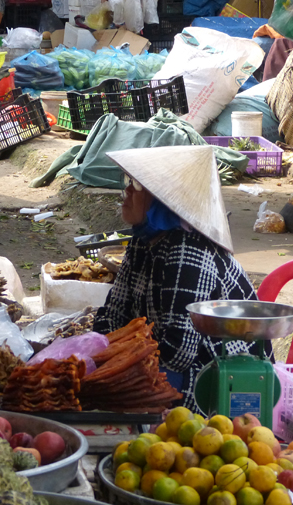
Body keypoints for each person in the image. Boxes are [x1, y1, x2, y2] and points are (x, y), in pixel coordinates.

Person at [92, 145, 270, 412]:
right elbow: (112, 313)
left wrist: (118, 363)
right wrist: (99, 352)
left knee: (112, 392)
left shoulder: (188, 252)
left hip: (213, 377)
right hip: (165, 362)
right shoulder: (143, 241)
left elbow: (178, 353)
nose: (126, 191)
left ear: (162, 201)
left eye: (137, 186)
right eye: (129, 182)